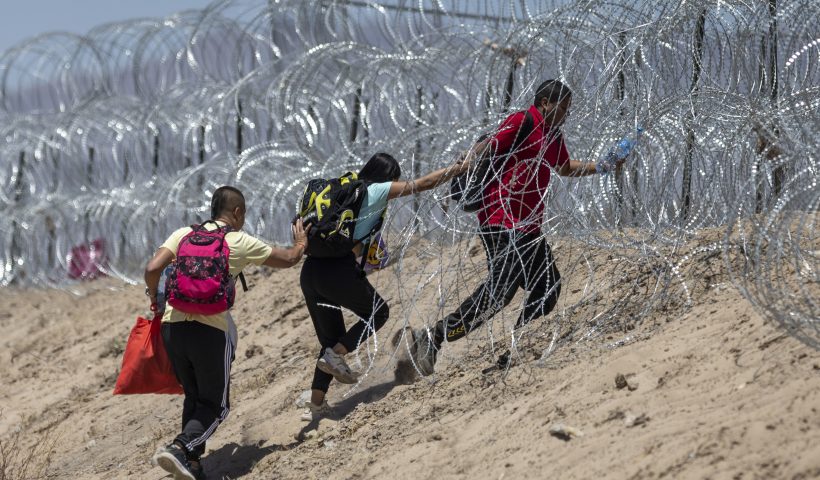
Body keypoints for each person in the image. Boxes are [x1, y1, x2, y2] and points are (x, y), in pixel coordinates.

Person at [412, 79, 626, 376]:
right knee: (501, 292)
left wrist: (601, 166)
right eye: (563, 108)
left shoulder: (552, 134)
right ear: (545, 103)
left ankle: (517, 347)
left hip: (528, 227)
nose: (566, 114)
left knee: (547, 286)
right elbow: (490, 143)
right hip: (501, 220)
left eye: (568, 109)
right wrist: (470, 158)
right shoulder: (522, 121)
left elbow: (564, 168)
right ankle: (433, 337)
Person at [144, 186, 307, 480]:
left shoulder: (183, 234)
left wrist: (155, 300)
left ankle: (191, 464)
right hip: (210, 331)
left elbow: (153, 267)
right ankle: (181, 447)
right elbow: (289, 259)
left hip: (173, 327)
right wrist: (300, 241)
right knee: (217, 405)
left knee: (195, 396)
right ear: (237, 212)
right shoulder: (238, 241)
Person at [299, 152, 469, 421]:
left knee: (331, 341)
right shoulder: (375, 189)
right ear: (389, 177)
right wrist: (459, 169)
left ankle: (316, 405)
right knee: (379, 312)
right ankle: (337, 355)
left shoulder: (344, 191)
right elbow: (422, 184)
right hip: (335, 270)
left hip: (310, 272)